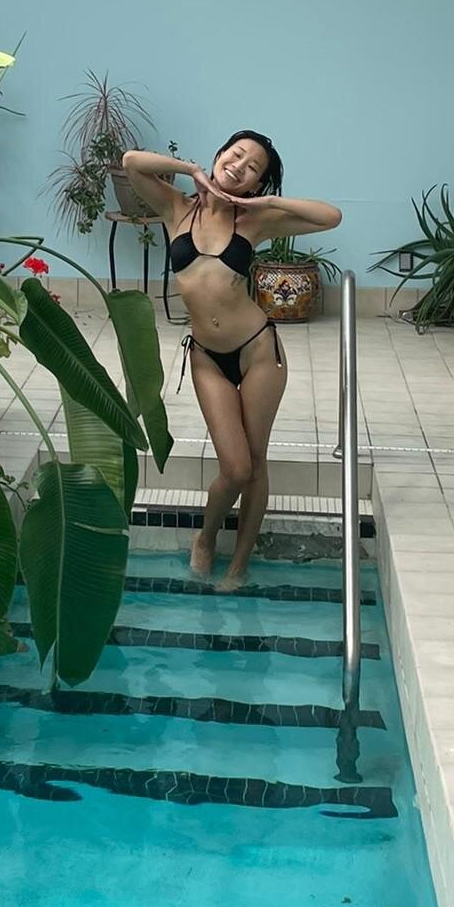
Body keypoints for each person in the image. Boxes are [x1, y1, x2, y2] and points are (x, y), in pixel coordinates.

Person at [121, 133, 341, 588]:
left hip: (259, 352)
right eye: (236, 154)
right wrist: (190, 171)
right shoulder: (176, 208)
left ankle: (240, 564)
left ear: (257, 183)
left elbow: (331, 216)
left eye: (253, 167)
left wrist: (266, 202)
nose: (240, 165)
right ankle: (205, 537)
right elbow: (131, 161)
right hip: (207, 357)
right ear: (219, 155)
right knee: (235, 467)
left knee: (255, 462)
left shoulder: (254, 221)